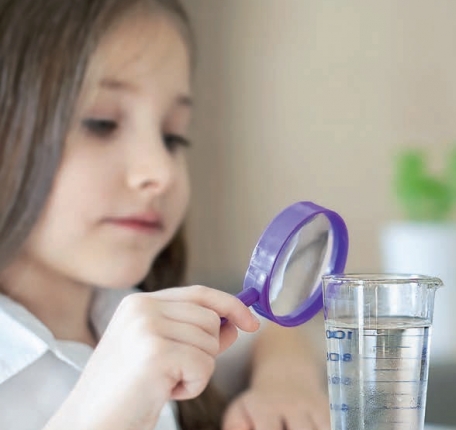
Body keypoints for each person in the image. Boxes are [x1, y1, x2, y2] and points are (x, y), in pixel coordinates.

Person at [0, 0, 330, 429]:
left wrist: (284, 382)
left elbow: (270, 332)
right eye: (101, 123)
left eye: (173, 137)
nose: (161, 171)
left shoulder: (129, 310)